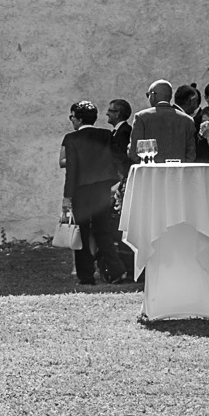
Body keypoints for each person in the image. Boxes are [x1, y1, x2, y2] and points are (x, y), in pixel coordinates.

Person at [58, 99, 126, 287]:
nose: (72, 120)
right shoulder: (106, 134)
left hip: (81, 190)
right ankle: (117, 270)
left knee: (81, 232)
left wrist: (67, 196)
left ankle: (86, 275)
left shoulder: (71, 139)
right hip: (102, 188)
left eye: (72, 117)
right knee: (102, 230)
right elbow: (117, 158)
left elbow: (72, 170)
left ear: (78, 119)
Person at [130, 79, 200, 163]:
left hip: (150, 173)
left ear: (153, 95)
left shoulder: (141, 117)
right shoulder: (188, 120)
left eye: (148, 95)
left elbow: (134, 153)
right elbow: (191, 155)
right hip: (178, 174)